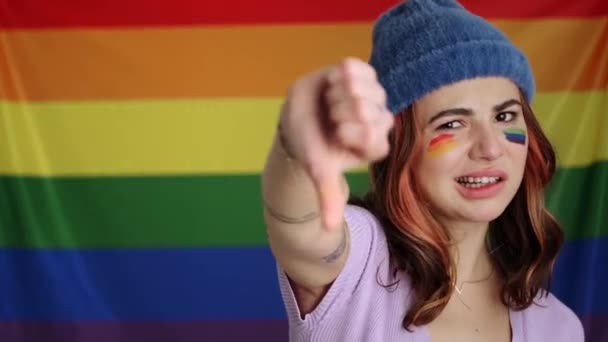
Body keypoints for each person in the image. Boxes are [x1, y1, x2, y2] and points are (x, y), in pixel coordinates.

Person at [261, 0, 585, 341]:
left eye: (504, 116)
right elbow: (301, 229)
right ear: (399, 147)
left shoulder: (559, 327)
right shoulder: (359, 261)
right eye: (453, 123)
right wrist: (295, 149)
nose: (490, 148)